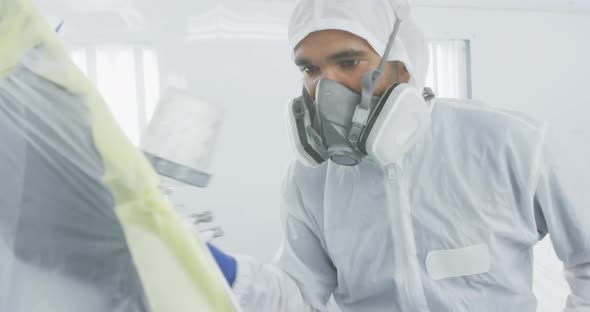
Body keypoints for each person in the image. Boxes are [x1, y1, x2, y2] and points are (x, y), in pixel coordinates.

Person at [209, 0, 590, 311]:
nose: (324, 87)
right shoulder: (310, 179)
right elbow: (299, 295)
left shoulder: (510, 143)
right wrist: (228, 274)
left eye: (348, 62)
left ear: (402, 64)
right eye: (310, 68)